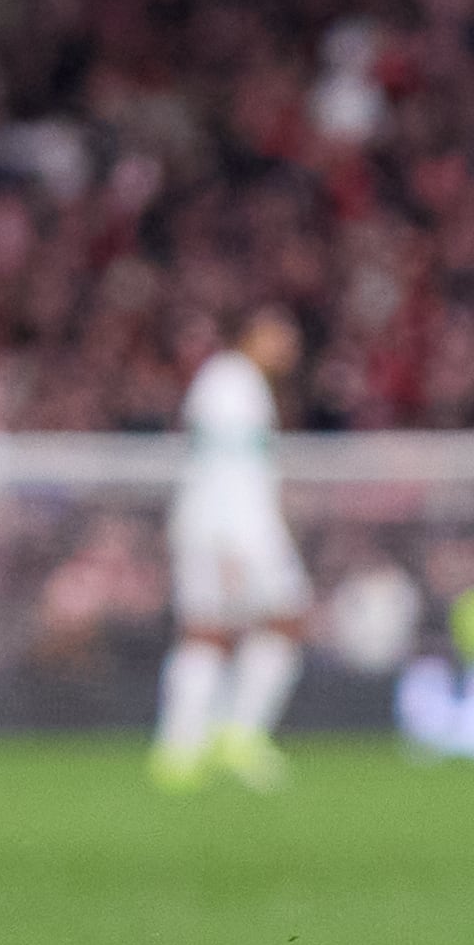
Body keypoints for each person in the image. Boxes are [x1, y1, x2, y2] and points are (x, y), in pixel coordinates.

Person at [156, 311, 311, 793]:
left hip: (220, 524)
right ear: (251, 335)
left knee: (212, 630)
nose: (289, 345)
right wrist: (227, 543)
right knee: (270, 619)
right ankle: (228, 735)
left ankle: (189, 746)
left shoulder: (236, 382)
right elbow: (224, 467)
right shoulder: (230, 381)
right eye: (279, 334)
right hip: (233, 529)